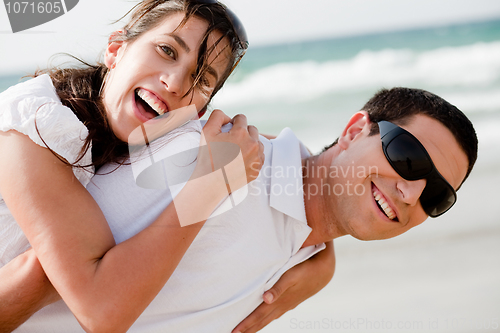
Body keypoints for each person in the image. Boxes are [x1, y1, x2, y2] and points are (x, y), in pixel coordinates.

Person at [2, 87, 478, 333]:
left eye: (436, 194)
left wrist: (323, 257)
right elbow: (36, 260)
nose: (411, 192)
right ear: (356, 130)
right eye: (406, 156)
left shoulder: (303, 251)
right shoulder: (211, 157)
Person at [0, 1, 335, 332]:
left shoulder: (144, 133)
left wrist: (325, 256)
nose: (175, 84)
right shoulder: (31, 126)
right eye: (167, 50)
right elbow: (102, 313)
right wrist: (207, 189)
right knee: (39, 272)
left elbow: (271, 147)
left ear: (200, 111)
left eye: (201, 80)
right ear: (116, 49)